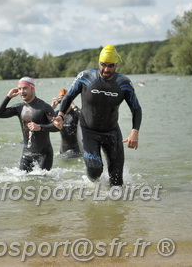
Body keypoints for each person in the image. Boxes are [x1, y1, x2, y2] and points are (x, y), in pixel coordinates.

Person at [54, 45, 142, 186]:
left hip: (111, 132)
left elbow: (136, 108)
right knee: (95, 170)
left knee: (117, 182)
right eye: (103, 65)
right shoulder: (85, 77)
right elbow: (68, 96)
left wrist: (134, 131)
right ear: (98, 63)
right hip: (87, 130)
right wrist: (60, 115)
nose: (106, 69)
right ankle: (95, 191)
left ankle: (115, 206)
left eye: (111, 66)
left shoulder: (123, 83)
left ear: (116, 65)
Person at [0, 77, 62, 172]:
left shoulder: (44, 107)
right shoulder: (19, 108)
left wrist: (40, 127)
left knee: (42, 183)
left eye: (25, 88)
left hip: (43, 155)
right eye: (19, 89)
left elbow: (57, 127)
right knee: (21, 181)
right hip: (26, 154)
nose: (21, 91)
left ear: (32, 88)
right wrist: (8, 97)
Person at [51, 89, 81, 158]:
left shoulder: (75, 113)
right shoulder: (57, 114)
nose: (63, 104)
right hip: (63, 150)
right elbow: (44, 121)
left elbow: (85, 118)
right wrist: (51, 108)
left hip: (76, 150)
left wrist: (73, 105)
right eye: (61, 102)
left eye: (65, 101)